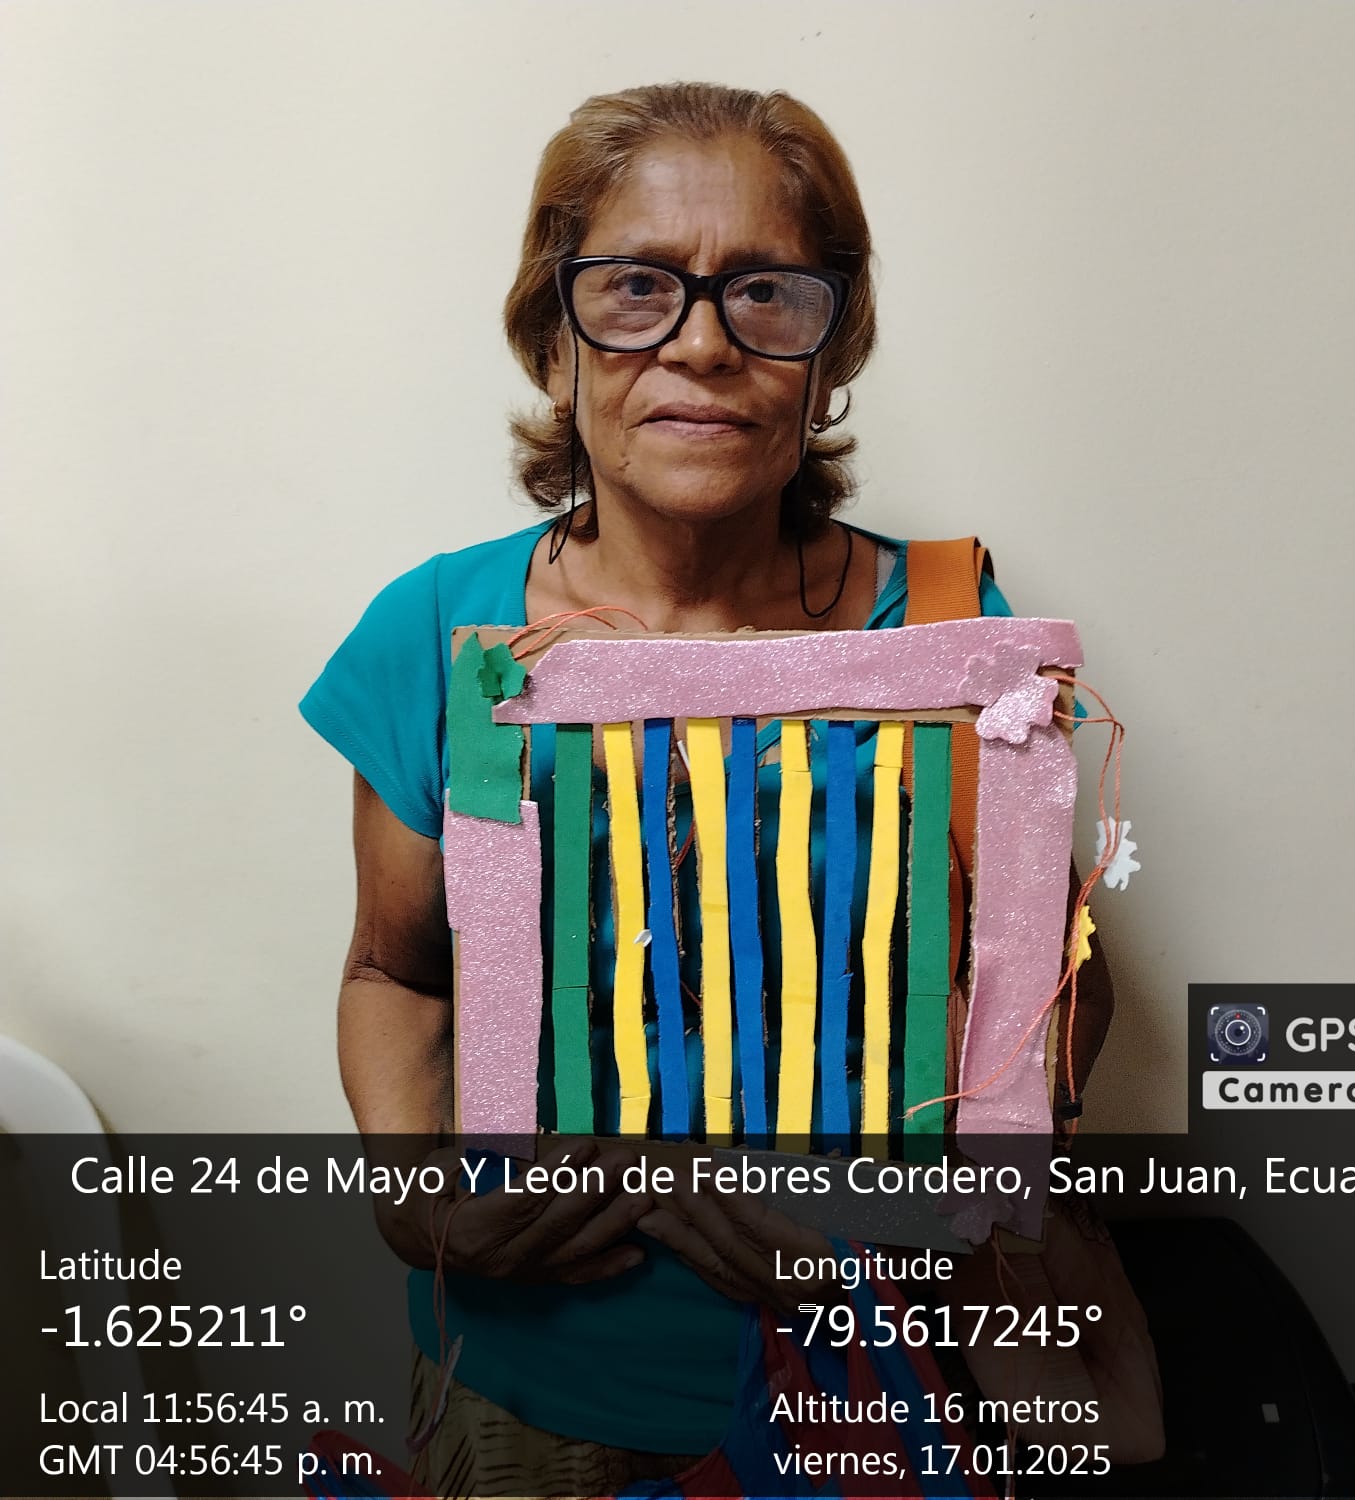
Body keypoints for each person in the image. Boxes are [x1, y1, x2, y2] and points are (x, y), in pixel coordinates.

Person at [301, 81, 1119, 1493]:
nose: (700, 341)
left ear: (830, 346)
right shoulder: (438, 634)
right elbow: (397, 974)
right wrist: (413, 1198)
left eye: (763, 291)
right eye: (635, 288)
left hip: (868, 1384)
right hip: (525, 1387)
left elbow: (1054, 990)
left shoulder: (945, 627)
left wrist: (900, 1222)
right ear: (554, 339)